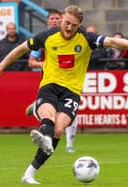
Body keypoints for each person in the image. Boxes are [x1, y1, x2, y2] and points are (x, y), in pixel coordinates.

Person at [0, 5, 128, 184]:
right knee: (48, 117)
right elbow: (21, 49)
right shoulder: (47, 36)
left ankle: (29, 172)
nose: (69, 27)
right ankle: (43, 135)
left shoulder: (86, 37)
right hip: (50, 85)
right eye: (67, 22)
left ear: (80, 25)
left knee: (58, 129)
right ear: (62, 19)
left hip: (72, 91)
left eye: (74, 25)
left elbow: (110, 41)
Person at [26, 8, 77, 153]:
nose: (54, 21)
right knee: (52, 113)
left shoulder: (73, 36)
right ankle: (39, 112)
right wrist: (42, 64)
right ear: (48, 21)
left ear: (62, 20)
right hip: (51, 80)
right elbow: (31, 62)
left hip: (70, 80)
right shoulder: (43, 38)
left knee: (71, 114)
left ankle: (69, 144)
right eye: (52, 19)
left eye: (57, 18)